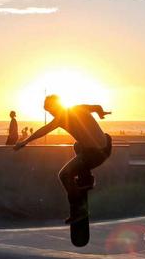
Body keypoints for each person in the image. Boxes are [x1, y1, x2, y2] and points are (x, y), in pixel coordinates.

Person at [14, 95, 112, 223]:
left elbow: (43, 130)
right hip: (107, 146)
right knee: (77, 145)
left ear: (56, 106)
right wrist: (101, 113)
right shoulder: (78, 108)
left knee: (64, 175)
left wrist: (25, 142)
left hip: (95, 155)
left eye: (51, 111)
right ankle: (86, 178)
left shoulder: (60, 118)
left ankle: (79, 210)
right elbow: (97, 107)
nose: (52, 114)